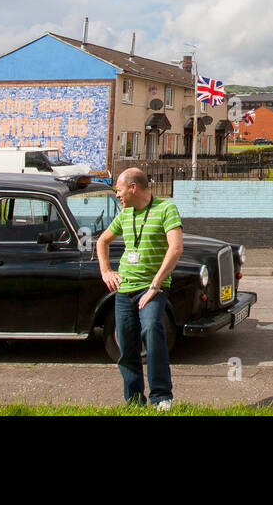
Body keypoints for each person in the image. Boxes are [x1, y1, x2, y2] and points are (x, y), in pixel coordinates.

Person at [96, 167, 183, 409]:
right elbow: (102, 241)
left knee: (153, 331)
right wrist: (106, 271)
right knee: (126, 345)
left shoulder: (166, 209)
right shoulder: (125, 214)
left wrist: (156, 284)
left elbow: (175, 248)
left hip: (152, 288)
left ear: (133, 187)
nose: (117, 195)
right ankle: (134, 400)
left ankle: (161, 397)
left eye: (119, 190)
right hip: (125, 288)